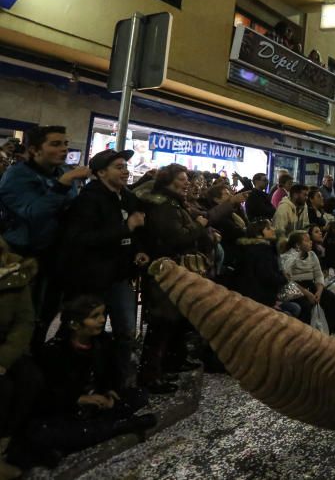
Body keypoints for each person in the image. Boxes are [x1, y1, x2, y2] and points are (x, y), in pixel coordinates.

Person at [60, 149, 150, 386]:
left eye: (125, 166)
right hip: (92, 279)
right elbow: (82, 239)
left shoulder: (128, 198)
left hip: (120, 277)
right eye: (118, 167)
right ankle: (81, 385)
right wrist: (125, 228)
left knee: (126, 332)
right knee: (89, 333)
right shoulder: (87, 201)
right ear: (101, 173)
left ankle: (119, 383)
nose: (125, 171)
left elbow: (137, 233)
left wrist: (139, 250)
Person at [29, 295, 155, 458]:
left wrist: (108, 391)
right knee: (44, 432)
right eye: (95, 317)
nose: (102, 320)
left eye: (102, 314)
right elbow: (50, 394)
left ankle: (94, 430)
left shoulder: (102, 343)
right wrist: (79, 399)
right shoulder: (55, 351)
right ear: (74, 324)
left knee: (139, 395)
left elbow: (108, 375)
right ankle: (120, 426)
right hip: (68, 410)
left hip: (95, 407)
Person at [0, 125, 90, 340]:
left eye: (66, 144)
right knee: (22, 318)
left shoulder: (63, 172)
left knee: (47, 313)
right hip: (23, 256)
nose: (64, 149)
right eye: (55, 144)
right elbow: (33, 212)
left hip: (56, 255)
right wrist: (62, 185)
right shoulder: (17, 175)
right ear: (34, 150)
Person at [136, 165, 211, 393]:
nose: (187, 182)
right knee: (161, 323)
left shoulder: (174, 203)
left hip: (174, 271)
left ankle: (169, 364)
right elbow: (176, 237)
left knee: (174, 321)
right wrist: (199, 226)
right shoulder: (163, 205)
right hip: (165, 271)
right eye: (182, 178)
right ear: (169, 181)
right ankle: (151, 375)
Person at [0, 239, 43, 478]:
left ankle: (8, 444)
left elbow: (24, 321)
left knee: (31, 379)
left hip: (9, 349)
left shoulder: (15, 276)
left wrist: (4, 358)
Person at [231, 221, 300, 319]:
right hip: (260, 300)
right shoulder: (263, 250)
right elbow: (268, 276)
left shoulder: (248, 248)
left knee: (295, 307)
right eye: (268, 228)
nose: (273, 229)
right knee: (293, 311)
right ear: (258, 235)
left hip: (252, 297)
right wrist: (284, 278)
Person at [280, 231, 335, 329]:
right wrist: (307, 294)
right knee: (306, 307)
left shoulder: (312, 255)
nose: (311, 242)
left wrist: (319, 291)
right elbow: (288, 279)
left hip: (311, 286)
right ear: (297, 245)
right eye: (307, 241)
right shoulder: (287, 257)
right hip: (295, 289)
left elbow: (318, 274)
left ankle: (331, 330)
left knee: (331, 298)